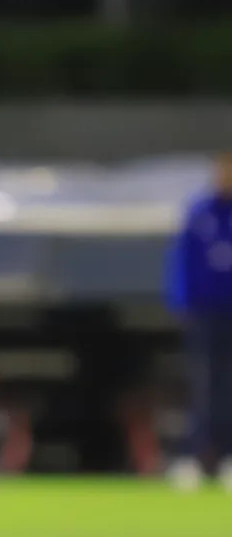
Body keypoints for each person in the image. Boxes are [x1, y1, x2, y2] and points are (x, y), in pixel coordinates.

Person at [166, 152, 232, 491]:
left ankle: (228, 457)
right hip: (206, 313)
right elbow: (184, 260)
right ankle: (197, 456)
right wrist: (182, 301)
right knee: (203, 386)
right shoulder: (200, 211)